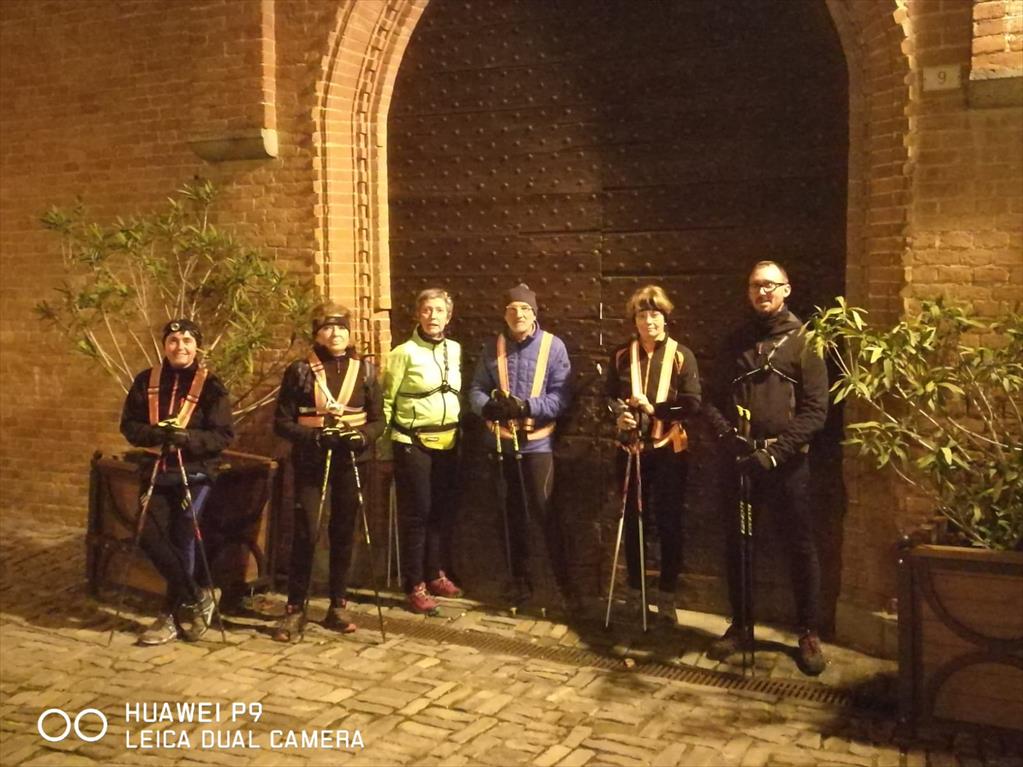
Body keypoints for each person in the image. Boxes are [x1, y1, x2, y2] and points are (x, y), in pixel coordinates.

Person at [703, 260, 829, 676]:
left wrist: (776, 453)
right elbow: (711, 399)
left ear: (786, 290)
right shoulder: (736, 342)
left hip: (787, 465)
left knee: (799, 546)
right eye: (756, 285)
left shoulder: (806, 342)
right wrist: (729, 439)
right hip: (741, 462)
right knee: (739, 545)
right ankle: (741, 625)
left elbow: (816, 411)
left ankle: (808, 632)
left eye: (770, 285)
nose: (763, 292)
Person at [271, 302, 384, 642]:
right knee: (307, 530)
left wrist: (362, 437)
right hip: (311, 459)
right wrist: (315, 437)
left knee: (343, 531)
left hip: (351, 460)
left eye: (341, 328)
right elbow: (282, 422)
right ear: (317, 333)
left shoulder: (365, 371)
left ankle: (338, 604)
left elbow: (378, 420)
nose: (335, 334)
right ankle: (295, 607)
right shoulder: (300, 371)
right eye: (328, 327)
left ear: (350, 333)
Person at [120, 318, 235, 645]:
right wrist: (156, 434)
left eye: (187, 341)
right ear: (164, 345)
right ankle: (197, 596)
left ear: (197, 346)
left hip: (194, 471)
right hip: (157, 470)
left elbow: (223, 435)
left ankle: (169, 615)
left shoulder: (211, 385)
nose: (180, 347)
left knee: (183, 537)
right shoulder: (146, 380)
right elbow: (129, 426)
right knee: (148, 535)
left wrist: (188, 439)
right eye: (173, 341)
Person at [468, 284, 574, 609]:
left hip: (537, 444)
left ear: (534, 313)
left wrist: (527, 407)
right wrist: (487, 407)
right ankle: (518, 581)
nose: (518, 315)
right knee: (509, 515)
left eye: (525, 309)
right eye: (512, 309)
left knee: (546, 513)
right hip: (501, 444)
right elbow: (476, 388)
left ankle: (563, 584)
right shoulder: (492, 347)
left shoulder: (553, 347)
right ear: (504, 314)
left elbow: (562, 396)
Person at [604, 286, 701, 626]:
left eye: (655, 315)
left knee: (669, 523)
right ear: (634, 320)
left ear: (665, 318)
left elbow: (692, 404)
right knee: (634, 523)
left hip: (668, 452)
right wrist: (620, 415)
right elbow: (608, 398)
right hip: (631, 451)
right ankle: (636, 591)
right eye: (642, 315)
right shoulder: (621, 355)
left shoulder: (681, 355)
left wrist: (655, 410)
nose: (649, 321)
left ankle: (667, 596)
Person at [382, 288, 463, 614]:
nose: (433, 316)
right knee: (418, 513)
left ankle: (434, 573)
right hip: (411, 442)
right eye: (427, 310)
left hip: (448, 442)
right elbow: (387, 400)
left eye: (439, 310)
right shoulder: (403, 353)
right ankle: (414, 584)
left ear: (448, 316)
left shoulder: (454, 350)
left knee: (439, 512)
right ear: (418, 314)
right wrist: (384, 447)